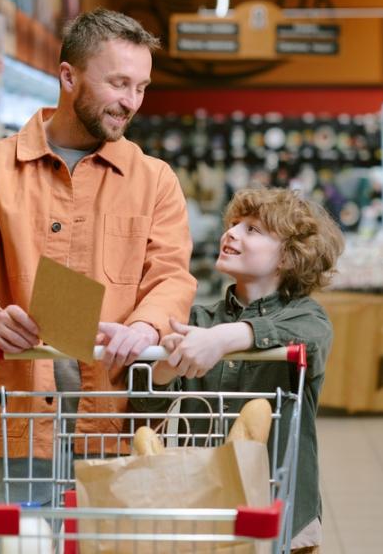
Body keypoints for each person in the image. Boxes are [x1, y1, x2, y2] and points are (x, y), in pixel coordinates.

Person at [0, 9, 196, 504]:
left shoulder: (154, 180)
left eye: (141, 87)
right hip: (24, 416)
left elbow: (172, 277)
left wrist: (148, 325)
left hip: (119, 420)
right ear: (68, 76)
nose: (131, 102)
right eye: (118, 83)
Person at [131, 188, 344, 554]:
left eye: (252, 230)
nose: (231, 233)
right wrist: (166, 367)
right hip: (206, 506)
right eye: (233, 225)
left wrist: (227, 338)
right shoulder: (197, 319)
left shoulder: (308, 317)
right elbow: (145, 409)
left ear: (290, 257)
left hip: (284, 511)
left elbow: (311, 339)